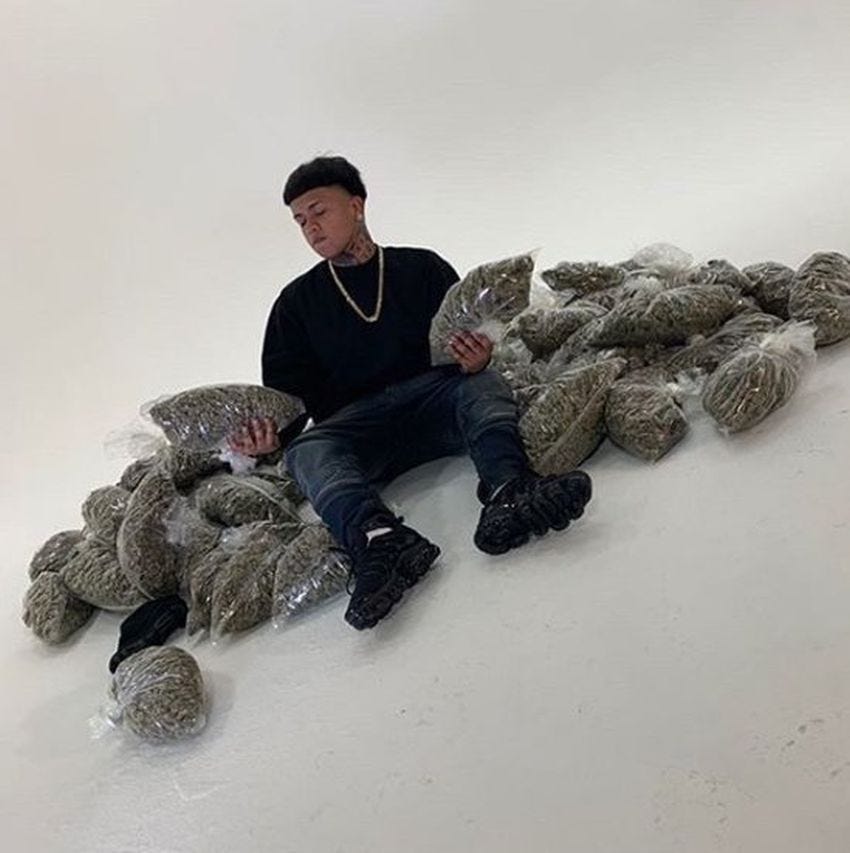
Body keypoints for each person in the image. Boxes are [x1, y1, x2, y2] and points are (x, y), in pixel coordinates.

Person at [228, 156, 592, 630]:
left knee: (482, 383)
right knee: (307, 450)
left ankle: (510, 490)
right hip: (357, 431)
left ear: (356, 206)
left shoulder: (420, 267)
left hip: (436, 401)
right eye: (300, 221)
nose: (311, 228)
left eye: (319, 212)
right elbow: (289, 406)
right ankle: (379, 541)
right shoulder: (294, 305)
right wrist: (267, 439)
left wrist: (476, 358)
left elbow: (463, 343)